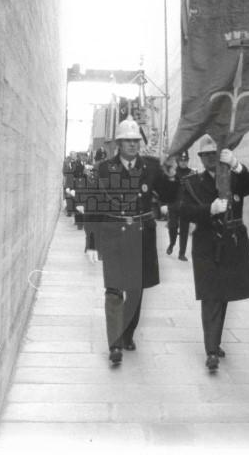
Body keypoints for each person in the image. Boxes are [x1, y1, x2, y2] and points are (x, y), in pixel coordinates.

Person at [83, 118, 179, 365]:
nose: (133, 145)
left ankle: (127, 333)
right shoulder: (104, 169)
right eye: (127, 141)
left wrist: (171, 176)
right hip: (114, 234)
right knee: (114, 289)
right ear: (118, 143)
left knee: (135, 290)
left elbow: (170, 196)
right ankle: (115, 344)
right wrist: (91, 242)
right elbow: (93, 207)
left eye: (136, 140)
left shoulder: (151, 167)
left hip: (141, 235)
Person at [179, 136, 249, 372]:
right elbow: (185, 211)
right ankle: (211, 350)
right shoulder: (192, 183)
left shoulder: (233, 177)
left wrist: (236, 164)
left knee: (223, 295)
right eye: (205, 155)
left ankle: (215, 341)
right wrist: (209, 210)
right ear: (201, 158)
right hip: (206, 244)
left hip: (231, 243)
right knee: (210, 296)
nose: (209, 159)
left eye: (213, 154)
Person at [166, 150, 193, 261]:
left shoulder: (192, 174)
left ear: (188, 161)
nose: (183, 162)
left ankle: (182, 253)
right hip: (173, 205)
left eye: (185, 160)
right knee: (172, 227)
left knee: (184, 230)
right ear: (178, 161)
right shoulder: (172, 172)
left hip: (186, 206)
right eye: (181, 160)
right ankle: (172, 243)